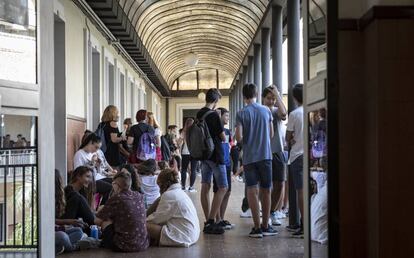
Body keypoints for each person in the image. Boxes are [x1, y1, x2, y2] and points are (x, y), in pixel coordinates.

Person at [235, 83, 278, 238]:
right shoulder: (266, 110)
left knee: (252, 191)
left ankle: (257, 227)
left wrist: (248, 137)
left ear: (243, 96)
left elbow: (239, 137)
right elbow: (271, 134)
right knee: (266, 190)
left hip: (249, 158)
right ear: (256, 94)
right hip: (265, 156)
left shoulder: (241, 113)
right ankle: (266, 226)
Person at [196, 88, 228, 235]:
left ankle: (208, 219)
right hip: (215, 155)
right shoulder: (215, 115)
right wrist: (219, 119)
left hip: (204, 155)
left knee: (205, 186)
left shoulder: (199, 113)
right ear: (215, 101)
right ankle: (210, 221)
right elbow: (223, 137)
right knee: (223, 187)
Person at [95, 171, 149, 252]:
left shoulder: (117, 198)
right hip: (143, 244)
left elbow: (97, 221)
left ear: (116, 185)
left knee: (105, 221)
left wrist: (100, 210)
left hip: (123, 245)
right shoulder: (139, 195)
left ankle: (106, 244)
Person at [147, 168, 200, 247]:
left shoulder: (169, 195)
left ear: (163, 184)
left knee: (142, 225)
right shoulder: (179, 192)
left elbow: (156, 219)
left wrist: (142, 219)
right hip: (191, 234)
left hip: (183, 237)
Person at [262, 86, 288, 226]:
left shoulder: (276, 111)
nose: (271, 101)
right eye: (269, 98)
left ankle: (272, 212)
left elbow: (284, 113)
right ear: (263, 98)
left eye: (273, 99)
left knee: (280, 183)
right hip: (263, 152)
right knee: (265, 186)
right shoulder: (260, 111)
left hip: (277, 151)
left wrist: (278, 94)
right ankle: (266, 213)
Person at [285, 83, 304, 237]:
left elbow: (288, 137)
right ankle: (309, 223)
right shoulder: (312, 111)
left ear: (294, 97)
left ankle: (304, 225)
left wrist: (291, 140)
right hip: (311, 156)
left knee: (300, 191)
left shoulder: (295, 114)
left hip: (297, 155)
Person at [73, 133, 113, 205]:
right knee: (110, 188)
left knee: (115, 182)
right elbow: (78, 172)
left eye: (98, 148)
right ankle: (102, 208)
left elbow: (97, 170)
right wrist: (91, 163)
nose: (96, 150)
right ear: (90, 143)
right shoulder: (79, 154)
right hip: (89, 181)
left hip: (97, 177)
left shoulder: (92, 154)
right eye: (96, 147)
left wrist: (98, 165)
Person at [212, 107, 234, 230]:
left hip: (227, 163)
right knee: (218, 191)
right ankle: (217, 218)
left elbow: (229, 145)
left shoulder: (228, 131)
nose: (227, 118)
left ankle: (222, 218)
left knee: (228, 191)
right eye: (226, 116)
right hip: (219, 163)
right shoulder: (215, 131)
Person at [179, 118, 198, 192]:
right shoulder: (196, 132)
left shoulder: (184, 132)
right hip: (195, 153)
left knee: (184, 169)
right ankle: (191, 187)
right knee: (193, 170)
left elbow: (179, 142)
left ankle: (183, 187)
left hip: (185, 152)